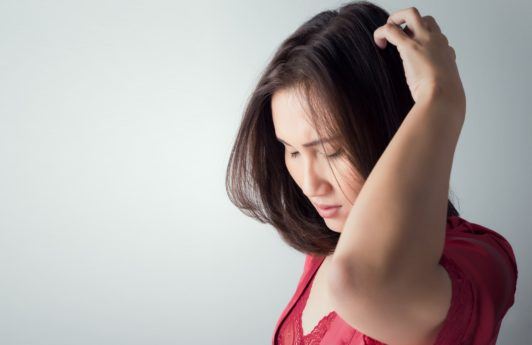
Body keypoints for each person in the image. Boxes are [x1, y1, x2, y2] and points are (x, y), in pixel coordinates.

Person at [225, 1, 518, 344]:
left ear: (391, 129)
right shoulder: (327, 247)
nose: (309, 184)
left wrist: (442, 98)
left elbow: (358, 279)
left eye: (331, 151)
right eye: (291, 151)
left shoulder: (478, 261)